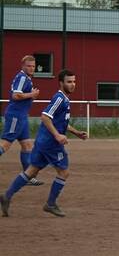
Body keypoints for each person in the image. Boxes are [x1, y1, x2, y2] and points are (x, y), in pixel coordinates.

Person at [0, 69, 88, 218]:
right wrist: (57, 136)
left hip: (43, 141)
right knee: (64, 172)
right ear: (61, 83)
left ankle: (6, 196)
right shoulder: (59, 99)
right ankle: (50, 204)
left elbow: (59, 122)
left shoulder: (64, 99)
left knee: (32, 171)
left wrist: (76, 132)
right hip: (50, 143)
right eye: (69, 82)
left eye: (74, 81)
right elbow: (45, 117)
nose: (73, 84)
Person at [0, 55, 44, 185]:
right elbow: (15, 95)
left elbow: (21, 95)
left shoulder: (27, 79)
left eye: (33, 66)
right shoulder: (22, 77)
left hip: (22, 116)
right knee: (6, 144)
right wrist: (32, 94)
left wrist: (30, 97)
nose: (31, 68)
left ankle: (28, 177)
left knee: (27, 145)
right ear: (23, 66)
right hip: (15, 116)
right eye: (29, 66)